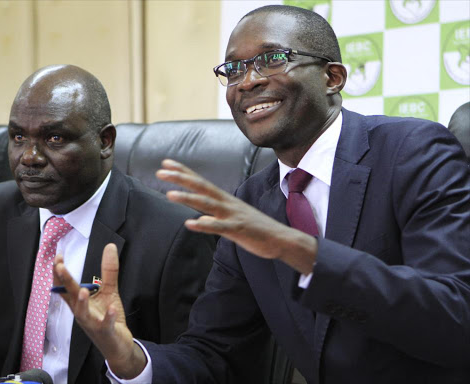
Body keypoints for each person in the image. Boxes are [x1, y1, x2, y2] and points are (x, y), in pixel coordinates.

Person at [54, 5, 470, 384]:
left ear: (333, 78)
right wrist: (129, 358)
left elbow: (455, 316)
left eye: (271, 59)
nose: (247, 82)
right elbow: (214, 353)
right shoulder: (252, 202)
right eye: (233, 69)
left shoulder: (413, 152)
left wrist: (301, 251)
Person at [0, 65, 216, 384]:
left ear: (104, 141)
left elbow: (201, 367)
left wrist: (131, 359)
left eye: (54, 138)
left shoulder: (173, 235)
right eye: (18, 137)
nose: (29, 157)